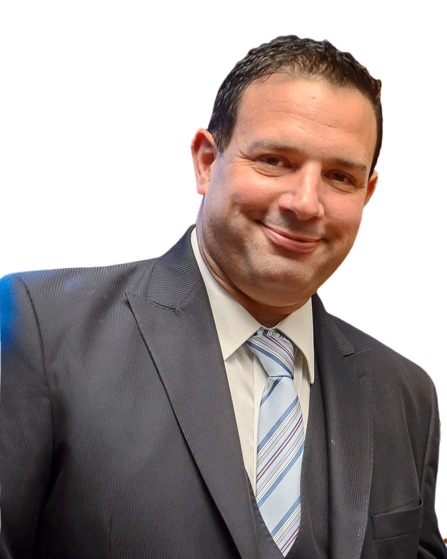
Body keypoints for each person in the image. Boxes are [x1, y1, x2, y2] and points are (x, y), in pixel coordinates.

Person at [0, 35, 445, 559]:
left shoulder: (405, 395)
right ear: (207, 161)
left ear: (366, 194)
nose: (306, 203)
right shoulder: (38, 329)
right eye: (275, 160)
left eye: (339, 176)